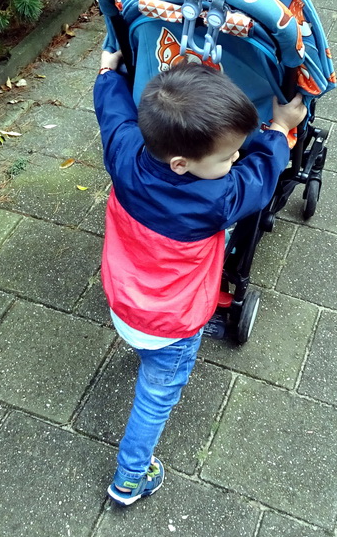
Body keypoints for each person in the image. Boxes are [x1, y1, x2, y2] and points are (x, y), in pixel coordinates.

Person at [94, 49, 307, 507]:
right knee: (155, 396)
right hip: (173, 323)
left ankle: (139, 349)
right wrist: (279, 128)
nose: (233, 161)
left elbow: (112, 113)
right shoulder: (217, 199)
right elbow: (263, 175)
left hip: (123, 298)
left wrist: (107, 73)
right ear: (181, 164)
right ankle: (131, 477)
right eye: (227, 156)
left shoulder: (124, 151)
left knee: (144, 349)